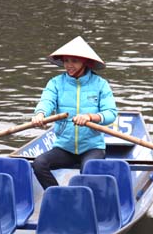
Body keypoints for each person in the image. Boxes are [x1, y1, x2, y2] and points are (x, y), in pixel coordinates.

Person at [31, 36, 118, 189]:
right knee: (39, 164)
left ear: (85, 62)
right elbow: (47, 101)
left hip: (92, 147)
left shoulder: (100, 84)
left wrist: (90, 117)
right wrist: (40, 114)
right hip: (65, 147)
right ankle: (59, 196)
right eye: (66, 61)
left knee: (88, 170)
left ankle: (86, 198)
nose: (69, 65)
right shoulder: (56, 83)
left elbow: (110, 113)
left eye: (74, 61)